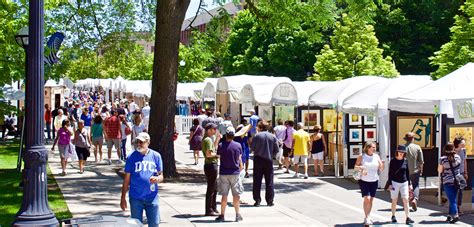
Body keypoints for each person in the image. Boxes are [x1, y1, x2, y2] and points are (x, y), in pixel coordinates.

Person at [121, 132, 163, 226]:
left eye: (142, 142)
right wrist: (123, 197)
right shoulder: (131, 157)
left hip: (152, 197)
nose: (139, 144)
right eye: (137, 141)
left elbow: (161, 176)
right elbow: (127, 179)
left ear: (148, 142)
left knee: (154, 224)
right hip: (136, 197)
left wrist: (157, 179)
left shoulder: (156, 156)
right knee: (136, 224)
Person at [215, 127, 244, 222]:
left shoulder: (221, 145)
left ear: (226, 135)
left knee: (224, 195)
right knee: (236, 195)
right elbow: (239, 158)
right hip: (235, 172)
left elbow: (219, 156)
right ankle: (237, 215)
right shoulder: (238, 145)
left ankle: (222, 215)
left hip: (224, 172)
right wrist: (240, 166)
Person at [354, 141, 384, 225]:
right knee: (367, 198)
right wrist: (362, 168)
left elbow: (381, 169)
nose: (374, 149)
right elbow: (355, 167)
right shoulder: (362, 156)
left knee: (371, 199)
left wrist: (381, 164)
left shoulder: (376, 156)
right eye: (373, 147)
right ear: (367, 148)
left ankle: (368, 215)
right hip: (364, 180)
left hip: (374, 180)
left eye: (375, 147)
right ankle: (367, 217)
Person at [251, 121, 279, 207]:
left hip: (258, 159)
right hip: (268, 159)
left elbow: (252, 147)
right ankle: (270, 200)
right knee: (269, 180)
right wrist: (271, 155)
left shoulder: (257, 136)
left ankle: (257, 200)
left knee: (257, 181)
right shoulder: (273, 137)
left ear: (260, 127)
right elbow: (276, 149)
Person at [388, 145, 414, 224]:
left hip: (404, 182)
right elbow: (390, 173)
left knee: (406, 199)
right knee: (394, 200)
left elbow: (407, 172)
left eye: (403, 152)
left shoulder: (405, 160)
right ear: (397, 152)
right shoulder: (393, 160)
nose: (401, 153)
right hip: (394, 182)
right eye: (400, 152)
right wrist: (390, 184)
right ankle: (393, 215)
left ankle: (407, 217)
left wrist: (409, 184)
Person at [438, 142, 462, 223]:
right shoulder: (458, 157)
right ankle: (449, 215)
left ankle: (455, 215)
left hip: (447, 181)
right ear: (453, 148)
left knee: (452, 200)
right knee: (453, 199)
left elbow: (439, 170)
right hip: (457, 181)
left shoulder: (442, 159)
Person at [202, 123, 220, 216]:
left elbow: (213, 148)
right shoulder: (207, 140)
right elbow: (209, 154)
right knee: (211, 188)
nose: (215, 131)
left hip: (210, 165)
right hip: (211, 165)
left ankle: (213, 207)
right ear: (209, 130)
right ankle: (209, 209)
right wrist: (218, 156)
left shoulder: (209, 139)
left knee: (214, 188)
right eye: (214, 129)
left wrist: (217, 139)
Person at [404, 132, 424, 211]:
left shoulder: (402, 147)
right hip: (415, 169)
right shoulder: (417, 147)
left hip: (404, 170)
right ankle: (415, 199)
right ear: (413, 138)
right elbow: (421, 161)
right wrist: (421, 169)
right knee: (415, 185)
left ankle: (407, 201)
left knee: (406, 186)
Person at [453, 137, 468, 213]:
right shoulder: (452, 151)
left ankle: (459, 207)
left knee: (461, 190)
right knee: (454, 190)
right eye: (463, 142)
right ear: (458, 144)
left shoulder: (464, 151)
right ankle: (453, 207)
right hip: (453, 174)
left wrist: (466, 172)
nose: (464, 143)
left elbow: (464, 162)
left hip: (461, 173)